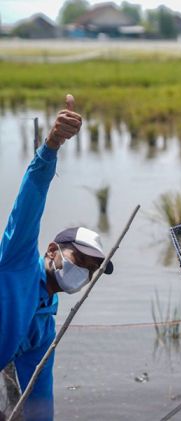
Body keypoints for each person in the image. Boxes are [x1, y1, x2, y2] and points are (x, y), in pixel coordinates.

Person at [0, 95, 114, 421]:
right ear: (52, 250)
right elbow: (30, 197)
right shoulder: (16, 261)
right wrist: (51, 145)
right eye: (80, 260)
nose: (83, 273)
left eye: (91, 271)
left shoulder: (44, 327)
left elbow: (39, 399)